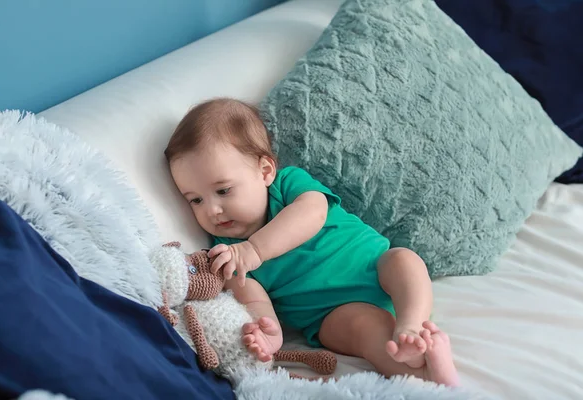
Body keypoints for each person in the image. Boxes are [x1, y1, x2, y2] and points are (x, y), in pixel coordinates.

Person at [164, 98, 459, 386]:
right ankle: (426, 376)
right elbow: (253, 298)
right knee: (364, 331)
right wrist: (271, 332)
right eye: (196, 200)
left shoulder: (289, 184)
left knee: (403, 259)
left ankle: (412, 327)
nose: (212, 210)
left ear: (265, 172)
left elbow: (313, 213)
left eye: (224, 191)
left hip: (374, 270)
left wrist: (255, 248)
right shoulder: (225, 251)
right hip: (331, 314)